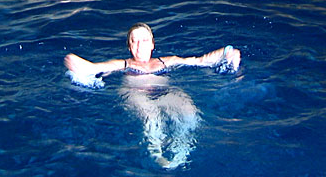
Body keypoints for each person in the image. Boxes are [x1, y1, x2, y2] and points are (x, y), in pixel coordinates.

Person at [64, 23, 241, 168]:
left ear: (152, 44)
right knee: (151, 114)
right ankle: (158, 153)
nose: (140, 46)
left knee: (187, 108)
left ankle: (182, 150)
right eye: (134, 41)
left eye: (144, 40)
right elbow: (95, 68)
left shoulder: (166, 61)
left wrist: (227, 52)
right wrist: (76, 63)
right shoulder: (122, 64)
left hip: (164, 94)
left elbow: (201, 61)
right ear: (129, 46)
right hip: (134, 94)